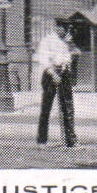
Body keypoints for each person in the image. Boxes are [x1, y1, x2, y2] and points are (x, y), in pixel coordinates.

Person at [35, 18, 77, 147]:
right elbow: (43, 59)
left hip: (63, 74)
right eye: (61, 28)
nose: (63, 31)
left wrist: (64, 67)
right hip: (49, 74)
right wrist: (53, 74)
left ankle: (70, 140)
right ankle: (42, 140)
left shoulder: (66, 42)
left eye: (65, 29)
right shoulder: (47, 40)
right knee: (46, 107)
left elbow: (70, 57)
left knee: (67, 107)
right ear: (57, 28)